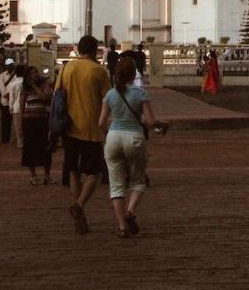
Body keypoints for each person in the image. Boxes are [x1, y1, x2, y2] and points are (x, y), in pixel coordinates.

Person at [56, 34, 111, 235]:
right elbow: (108, 98)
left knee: (73, 170)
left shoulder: (66, 68)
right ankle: (79, 206)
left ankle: (81, 213)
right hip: (90, 127)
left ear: (78, 49)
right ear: (95, 50)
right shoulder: (98, 71)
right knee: (93, 173)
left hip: (68, 125)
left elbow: (58, 94)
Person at [99, 58, 156, 238]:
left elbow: (101, 123)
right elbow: (150, 121)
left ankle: (122, 226)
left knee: (116, 185)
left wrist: (109, 133)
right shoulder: (140, 93)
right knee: (138, 180)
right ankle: (130, 211)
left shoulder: (110, 95)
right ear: (134, 74)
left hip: (114, 137)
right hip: (134, 138)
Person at [19, 66, 53, 185]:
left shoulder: (44, 84)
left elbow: (45, 96)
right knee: (30, 149)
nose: (34, 75)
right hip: (29, 121)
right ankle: (33, 175)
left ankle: (47, 175)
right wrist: (20, 125)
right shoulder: (24, 89)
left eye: (35, 72)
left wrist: (34, 86)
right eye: (31, 74)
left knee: (45, 148)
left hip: (42, 120)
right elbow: (22, 106)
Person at [0, 59, 16, 144]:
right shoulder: (2, 76)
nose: (9, 67)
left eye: (11, 65)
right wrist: (8, 96)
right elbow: (2, 89)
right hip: (6, 102)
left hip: (15, 101)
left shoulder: (16, 75)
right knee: (6, 121)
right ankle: (5, 138)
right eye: (8, 65)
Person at [7, 64, 26, 148]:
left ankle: (20, 142)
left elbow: (12, 97)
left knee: (18, 126)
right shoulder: (26, 82)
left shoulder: (14, 83)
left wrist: (10, 107)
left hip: (17, 107)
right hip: (27, 107)